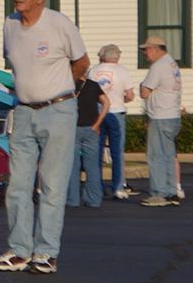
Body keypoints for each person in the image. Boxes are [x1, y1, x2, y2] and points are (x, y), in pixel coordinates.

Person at [0, 0, 88, 275]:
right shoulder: (9, 24)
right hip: (22, 111)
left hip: (58, 110)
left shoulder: (59, 23)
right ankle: (20, 251)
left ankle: (46, 253)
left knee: (52, 185)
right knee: (17, 185)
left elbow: (82, 63)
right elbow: (16, 64)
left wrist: (57, 90)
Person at [138, 36, 182, 207]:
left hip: (160, 116)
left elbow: (144, 92)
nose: (145, 53)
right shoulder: (172, 64)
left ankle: (160, 193)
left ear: (157, 49)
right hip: (173, 115)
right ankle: (172, 192)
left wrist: (143, 84)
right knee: (169, 155)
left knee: (156, 156)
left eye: (146, 49)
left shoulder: (158, 66)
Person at [87, 45, 134, 199]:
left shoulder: (93, 71)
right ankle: (118, 187)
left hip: (98, 114)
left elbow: (87, 92)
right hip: (116, 112)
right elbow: (130, 95)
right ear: (117, 57)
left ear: (103, 56)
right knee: (117, 152)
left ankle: (97, 186)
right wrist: (122, 100)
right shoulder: (123, 71)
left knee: (97, 152)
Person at [67, 71, 109, 207]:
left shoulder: (68, 85)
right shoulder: (93, 85)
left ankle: (72, 199)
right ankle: (94, 199)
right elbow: (106, 103)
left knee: (73, 166)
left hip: (73, 128)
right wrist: (97, 124)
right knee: (92, 166)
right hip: (91, 128)